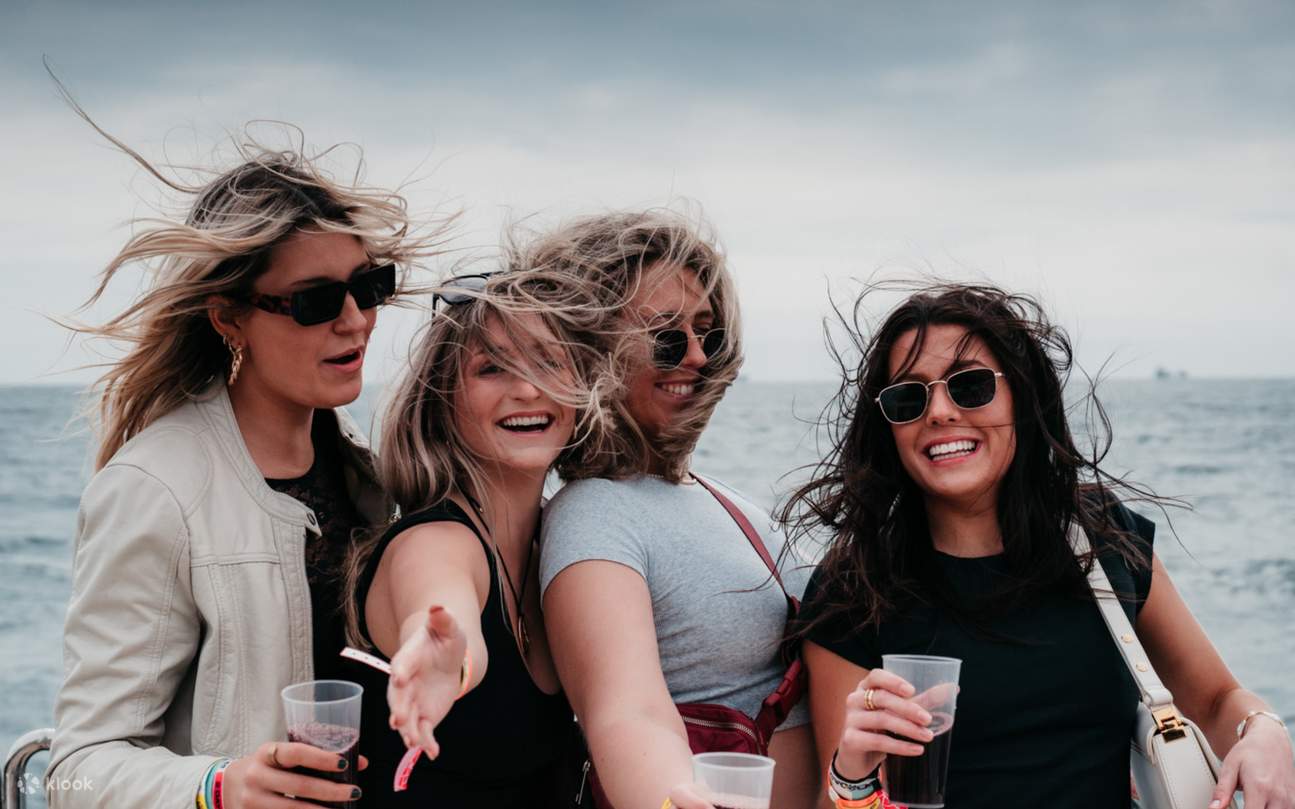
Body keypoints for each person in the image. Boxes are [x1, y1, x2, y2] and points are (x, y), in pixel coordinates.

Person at [48, 114, 443, 809]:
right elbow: (75, 770)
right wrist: (218, 787)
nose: (354, 319)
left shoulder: (367, 472)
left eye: (368, 285)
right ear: (228, 317)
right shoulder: (155, 489)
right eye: (316, 300)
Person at [783, 283, 1295, 808]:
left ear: (1022, 397)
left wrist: (1265, 731)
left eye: (970, 385)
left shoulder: (1101, 537)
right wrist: (852, 772)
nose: (938, 412)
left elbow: (1215, 700)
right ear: (888, 426)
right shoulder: (854, 589)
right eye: (908, 397)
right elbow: (833, 801)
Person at [529, 210, 819, 809]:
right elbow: (622, 711)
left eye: (707, 334)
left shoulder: (725, 501)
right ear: (593, 347)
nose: (694, 356)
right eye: (665, 335)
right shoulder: (594, 515)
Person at [339, 269, 616, 805]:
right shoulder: (437, 541)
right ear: (443, 399)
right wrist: (446, 655)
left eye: (549, 363)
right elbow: (441, 610)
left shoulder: (559, 553)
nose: (527, 389)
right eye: (492, 368)